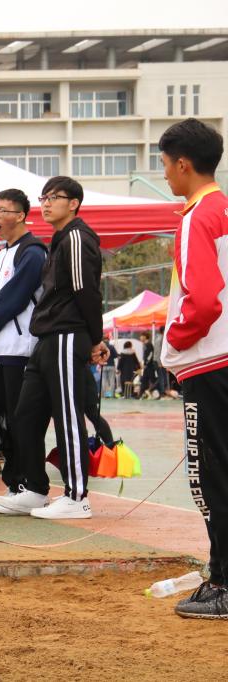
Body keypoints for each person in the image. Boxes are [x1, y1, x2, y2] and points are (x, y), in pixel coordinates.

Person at [156, 117, 228, 619]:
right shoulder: (222, 209)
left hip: (209, 363)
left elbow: (201, 301)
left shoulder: (196, 217)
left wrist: (175, 342)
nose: (163, 174)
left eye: (164, 164)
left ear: (183, 164)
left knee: (211, 477)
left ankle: (223, 583)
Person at [2, 176, 107, 520]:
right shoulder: (60, 239)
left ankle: (77, 496)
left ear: (73, 203)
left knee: (67, 415)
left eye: (54, 197)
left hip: (66, 335)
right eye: (43, 198)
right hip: (47, 338)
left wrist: (95, 338)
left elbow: (86, 290)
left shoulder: (76, 237)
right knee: (26, 415)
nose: (46, 203)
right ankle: (35, 489)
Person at [0, 189, 47, 511]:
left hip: (20, 349)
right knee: (3, 421)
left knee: (23, 421)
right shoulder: (3, 252)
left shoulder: (32, 252)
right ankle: (16, 484)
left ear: (20, 216)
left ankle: (32, 486)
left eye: (2, 210)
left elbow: (14, 300)